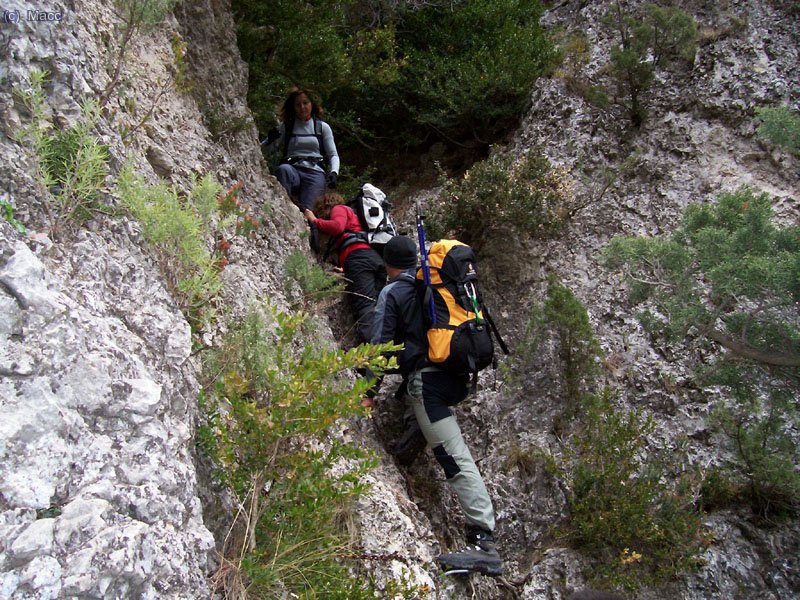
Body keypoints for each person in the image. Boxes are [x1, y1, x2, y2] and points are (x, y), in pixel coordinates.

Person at [370, 236, 504, 577]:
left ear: (388, 264)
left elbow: (379, 347)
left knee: (452, 455)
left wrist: (368, 391)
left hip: (428, 386)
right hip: (458, 378)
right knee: (428, 415)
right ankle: (415, 431)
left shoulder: (393, 292)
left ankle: (482, 539)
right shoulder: (431, 284)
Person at [303, 192, 386, 344]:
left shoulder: (339, 208)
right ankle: (387, 352)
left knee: (365, 306)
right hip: (373, 259)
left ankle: (374, 358)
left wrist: (315, 220)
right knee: (378, 307)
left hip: (359, 259)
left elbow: (337, 227)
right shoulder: (354, 217)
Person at [264, 87, 339, 250]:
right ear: (293, 107)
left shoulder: (322, 127)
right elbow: (264, 150)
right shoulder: (287, 127)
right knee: (283, 170)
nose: (302, 107)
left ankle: (313, 245)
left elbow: (333, 154)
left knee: (308, 212)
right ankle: (281, 212)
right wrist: (269, 140)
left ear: (312, 105)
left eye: (305, 103)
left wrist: (334, 172)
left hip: (315, 172)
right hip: (293, 169)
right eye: (298, 104)